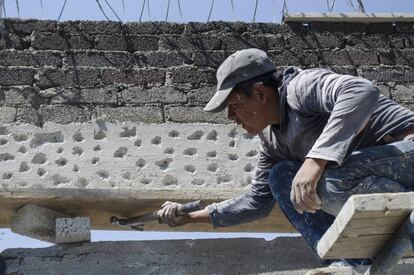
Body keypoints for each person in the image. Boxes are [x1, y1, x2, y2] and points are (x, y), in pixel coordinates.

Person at [158, 48, 414, 267]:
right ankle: (347, 262)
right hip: (369, 175)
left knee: (322, 182)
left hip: (406, 156)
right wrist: (192, 217)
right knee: (282, 177)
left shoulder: (300, 88)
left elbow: (361, 90)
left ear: (259, 93)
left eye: (234, 106)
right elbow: (257, 202)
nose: (231, 117)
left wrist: (315, 161)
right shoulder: (272, 143)